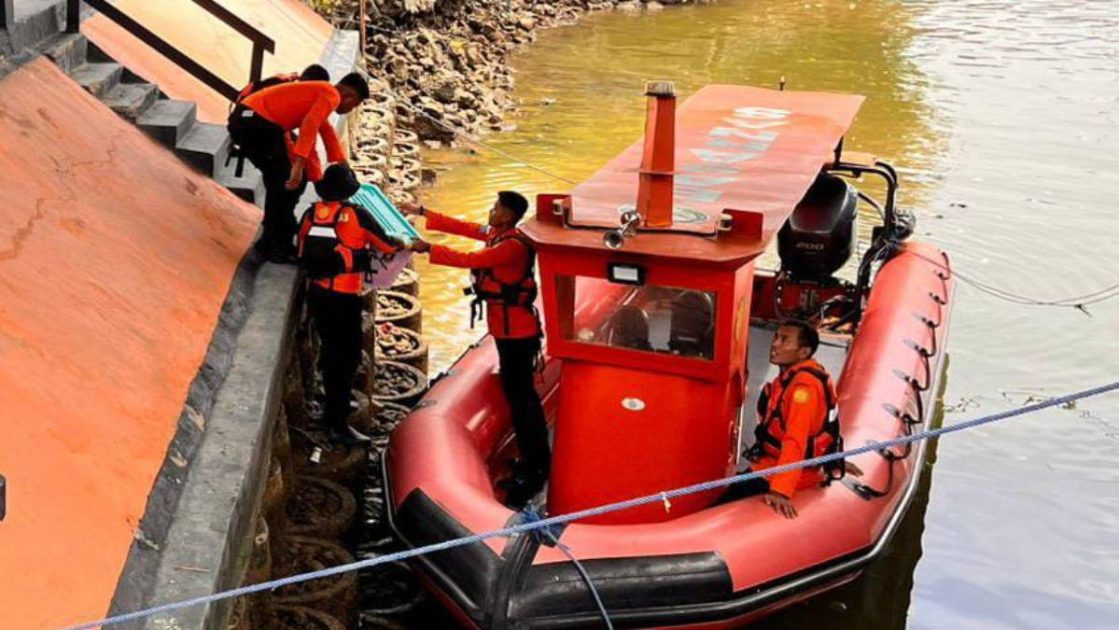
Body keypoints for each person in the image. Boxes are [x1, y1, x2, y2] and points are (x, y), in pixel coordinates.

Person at [400, 193, 548, 507]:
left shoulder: (510, 247)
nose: (490, 212)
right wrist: (423, 211)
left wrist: (428, 249)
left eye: (496, 209)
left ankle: (536, 466)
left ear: (508, 216)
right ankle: (531, 459)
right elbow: (466, 228)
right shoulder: (498, 235)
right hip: (508, 329)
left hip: (517, 333)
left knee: (523, 400)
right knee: (517, 395)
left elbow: (471, 259)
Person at [297, 164, 402, 446]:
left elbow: (301, 248)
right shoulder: (357, 215)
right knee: (347, 358)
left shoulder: (310, 215)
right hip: (344, 298)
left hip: (318, 296)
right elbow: (388, 246)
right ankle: (337, 422)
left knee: (331, 352)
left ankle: (334, 404)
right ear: (348, 192)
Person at [228, 71, 369, 262]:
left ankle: (279, 235)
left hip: (254, 122)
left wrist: (339, 162)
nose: (351, 109)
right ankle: (271, 242)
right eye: (355, 105)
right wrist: (298, 165)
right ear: (348, 95)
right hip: (256, 123)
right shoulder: (331, 94)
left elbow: (325, 130)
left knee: (288, 183)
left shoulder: (323, 94)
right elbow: (309, 125)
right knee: (284, 181)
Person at [725, 320, 858, 518]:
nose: (775, 344)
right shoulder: (790, 379)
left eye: (784, 340)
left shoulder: (803, 391)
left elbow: (795, 441)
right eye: (776, 337)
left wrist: (780, 490)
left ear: (803, 352)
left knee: (723, 501)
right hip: (771, 462)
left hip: (786, 472)